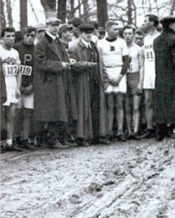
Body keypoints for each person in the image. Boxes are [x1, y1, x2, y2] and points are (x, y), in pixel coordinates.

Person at [34, 17, 71, 149]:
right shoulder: (42, 42)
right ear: (47, 26)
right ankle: (52, 139)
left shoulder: (57, 41)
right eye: (53, 25)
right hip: (49, 81)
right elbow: (40, 63)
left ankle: (59, 138)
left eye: (57, 25)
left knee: (59, 110)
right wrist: (59, 65)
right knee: (52, 111)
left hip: (59, 80)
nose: (55, 28)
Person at [68, 24, 108, 146]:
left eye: (90, 32)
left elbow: (101, 64)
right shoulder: (75, 48)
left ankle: (98, 135)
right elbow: (73, 65)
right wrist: (86, 65)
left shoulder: (95, 47)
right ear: (81, 34)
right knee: (84, 110)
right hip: (83, 83)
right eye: (86, 32)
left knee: (97, 109)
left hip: (96, 81)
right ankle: (83, 136)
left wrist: (104, 77)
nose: (89, 34)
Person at [97, 21, 129, 142]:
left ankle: (120, 131)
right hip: (107, 73)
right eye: (115, 29)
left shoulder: (121, 42)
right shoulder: (100, 43)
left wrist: (120, 76)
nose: (117, 31)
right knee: (109, 104)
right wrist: (107, 77)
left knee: (119, 103)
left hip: (119, 72)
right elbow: (100, 62)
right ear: (108, 29)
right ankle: (109, 131)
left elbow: (126, 60)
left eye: (117, 29)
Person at [13, 27, 36, 149]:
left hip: (30, 85)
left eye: (33, 36)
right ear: (24, 35)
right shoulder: (17, 47)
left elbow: (37, 70)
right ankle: (15, 137)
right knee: (17, 111)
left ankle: (26, 138)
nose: (30, 38)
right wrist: (19, 85)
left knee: (28, 112)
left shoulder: (36, 49)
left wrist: (32, 85)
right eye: (28, 35)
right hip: (18, 84)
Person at [0, 28, 22, 151]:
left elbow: (19, 71)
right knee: (1, 115)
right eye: (8, 36)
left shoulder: (15, 53)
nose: (11, 38)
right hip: (3, 85)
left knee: (11, 115)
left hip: (12, 84)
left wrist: (18, 87)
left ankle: (9, 141)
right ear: (2, 38)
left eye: (13, 36)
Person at [123, 25, 144, 139]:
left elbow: (141, 66)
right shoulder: (121, 47)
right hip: (124, 77)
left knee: (136, 106)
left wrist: (140, 82)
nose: (128, 36)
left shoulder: (138, 49)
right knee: (127, 106)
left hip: (135, 77)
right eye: (125, 34)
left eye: (130, 33)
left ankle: (136, 130)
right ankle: (129, 130)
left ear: (133, 35)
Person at [141, 14, 160, 138]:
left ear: (152, 23)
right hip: (148, 70)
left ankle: (161, 127)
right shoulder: (145, 38)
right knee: (148, 101)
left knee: (159, 101)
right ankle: (149, 128)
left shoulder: (160, 37)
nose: (144, 23)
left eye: (146, 21)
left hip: (158, 70)